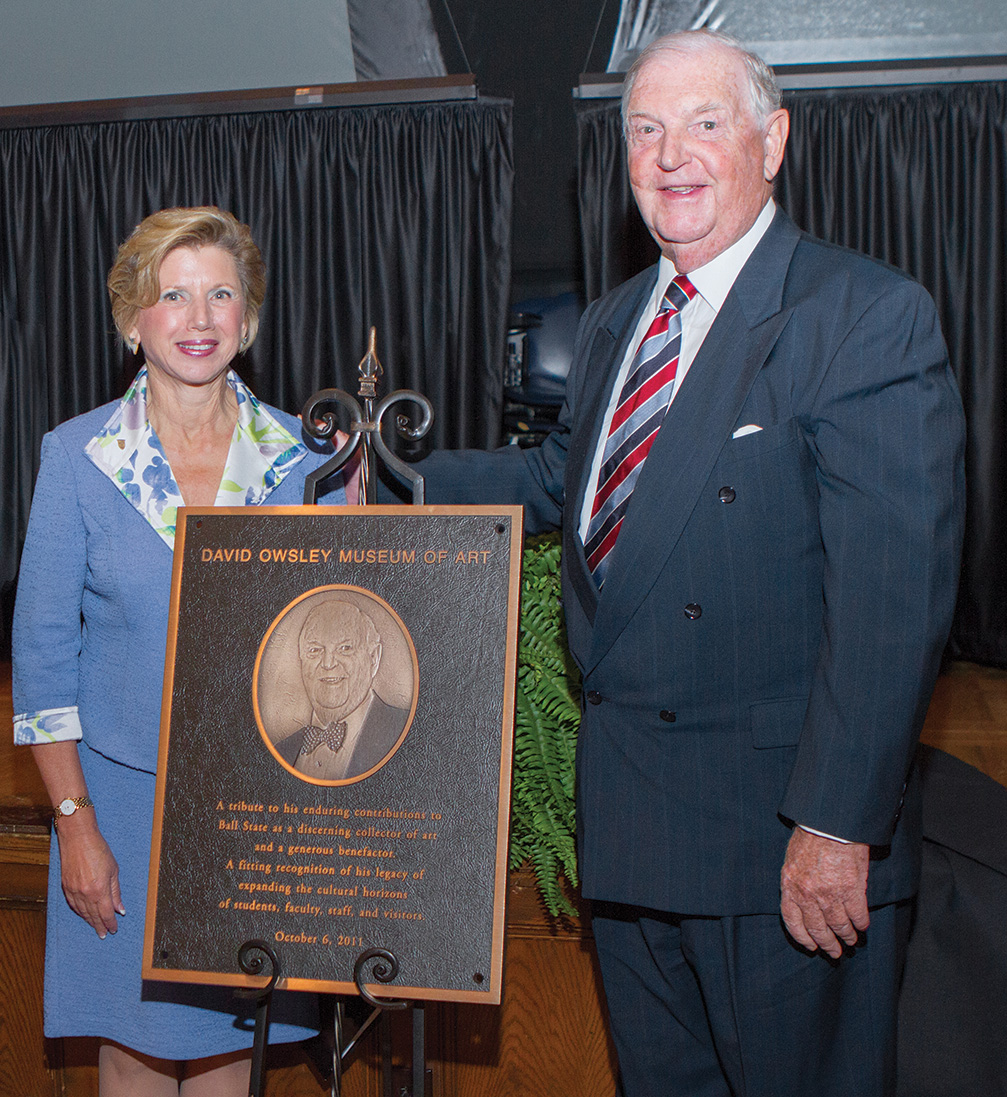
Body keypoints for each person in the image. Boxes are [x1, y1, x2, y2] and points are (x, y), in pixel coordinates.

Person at [405, 29, 966, 1097]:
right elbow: (560, 479)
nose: (671, 155)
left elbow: (890, 605)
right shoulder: (619, 319)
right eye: (645, 130)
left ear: (772, 141)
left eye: (704, 124)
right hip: (634, 837)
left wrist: (835, 824)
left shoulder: (860, 318)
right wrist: (391, 480)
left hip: (780, 853)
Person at [12, 207, 349, 1096]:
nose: (198, 318)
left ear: (246, 319)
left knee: (232, 1048)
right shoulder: (77, 456)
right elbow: (42, 663)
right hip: (116, 805)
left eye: (220, 294)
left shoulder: (307, 462)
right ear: (132, 320)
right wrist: (75, 825)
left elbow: (345, 629)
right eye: (173, 295)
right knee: (131, 1044)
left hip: (259, 804)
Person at [274, 597, 410, 779]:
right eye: (315, 650)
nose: (328, 663)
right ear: (301, 659)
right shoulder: (281, 750)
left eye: (345, 648)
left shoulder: (403, 733)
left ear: (373, 658)